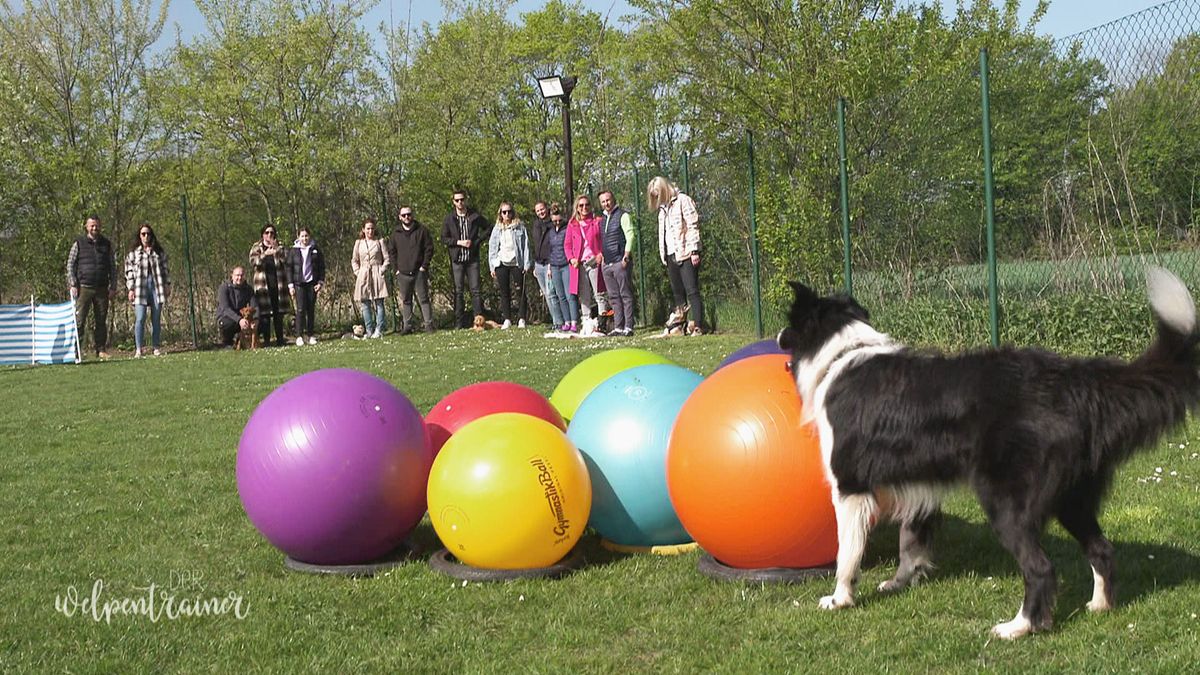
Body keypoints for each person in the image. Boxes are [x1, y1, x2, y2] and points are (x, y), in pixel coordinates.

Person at [648, 176, 705, 335]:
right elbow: (663, 233)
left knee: (692, 289)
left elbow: (693, 225)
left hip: (685, 251)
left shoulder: (682, 200)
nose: (656, 198)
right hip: (670, 253)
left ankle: (699, 325)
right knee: (677, 292)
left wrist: (694, 250)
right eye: (654, 195)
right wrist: (664, 254)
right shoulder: (662, 210)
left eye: (657, 194)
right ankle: (680, 325)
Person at [66, 215, 116, 359]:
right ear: (86, 227)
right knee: (80, 320)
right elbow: (70, 264)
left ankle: (101, 350)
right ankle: (76, 351)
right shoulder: (79, 243)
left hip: (102, 288)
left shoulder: (106, 244)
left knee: (101, 320)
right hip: (84, 287)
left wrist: (113, 286)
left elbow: (112, 266)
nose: (95, 228)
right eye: (92, 225)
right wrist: (73, 283)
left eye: (97, 225)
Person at [440, 189, 489, 328]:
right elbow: (444, 238)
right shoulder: (449, 219)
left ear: (465, 200)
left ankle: (479, 322)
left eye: (462, 200)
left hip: (472, 258)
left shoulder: (474, 216)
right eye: (457, 200)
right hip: (457, 259)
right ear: (453, 202)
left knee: (475, 290)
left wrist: (477, 241)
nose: (460, 203)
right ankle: (459, 323)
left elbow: (488, 228)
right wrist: (458, 242)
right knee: (459, 291)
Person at [124, 223, 171, 357]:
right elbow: (129, 272)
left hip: (156, 287)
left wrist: (167, 284)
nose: (146, 236)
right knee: (140, 318)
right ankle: (139, 348)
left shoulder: (159, 253)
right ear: (139, 236)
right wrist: (131, 288)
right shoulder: (133, 254)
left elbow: (165, 270)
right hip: (140, 287)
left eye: (148, 234)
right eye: (143, 234)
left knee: (156, 318)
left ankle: (156, 346)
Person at [386, 206, 435, 334]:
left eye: (409, 214)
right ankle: (407, 326)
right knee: (406, 300)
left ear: (412, 215)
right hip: (402, 273)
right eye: (404, 215)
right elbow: (391, 252)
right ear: (400, 217)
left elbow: (429, 248)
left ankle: (429, 325)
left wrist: (424, 266)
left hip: (419, 271)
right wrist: (396, 269)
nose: (407, 217)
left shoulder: (422, 230)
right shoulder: (395, 233)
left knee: (424, 299)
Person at [563, 194, 606, 333]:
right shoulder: (572, 224)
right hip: (579, 264)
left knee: (599, 293)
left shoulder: (597, 222)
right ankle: (587, 322)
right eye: (581, 205)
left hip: (594, 262)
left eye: (587, 204)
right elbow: (567, 245)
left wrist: (600, 254)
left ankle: (602, 322)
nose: (584, 207)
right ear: (577, 207)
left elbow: (604, 240)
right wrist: (571, 258)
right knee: (584, 296)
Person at [487, 202, 532, 329]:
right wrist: (492, 266)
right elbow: (492, 248)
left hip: (517, 263)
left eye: (509, 212)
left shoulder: (519, 227)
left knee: (520, 291)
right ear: (500, 214)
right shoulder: (497, 229)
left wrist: (527, 264)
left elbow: (526, 246)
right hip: (501, 263)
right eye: (504, 212)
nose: (507, 214)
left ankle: (522, 318)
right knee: (504, 291)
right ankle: (507, 319)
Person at [598, 190, 637, 336]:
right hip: (607, 263)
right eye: (603, 201)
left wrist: (626, 256)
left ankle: (628, 326)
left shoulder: (623, 215)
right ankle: (618, 326)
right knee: (613, 297)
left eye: (608, 200)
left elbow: (630, 235)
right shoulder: (602, 220)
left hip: (620, 261)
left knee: (625, 294)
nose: (606, 203)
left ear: (613, 199)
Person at [248, 224, 292, 346]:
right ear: (262, 235)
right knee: (265, 315)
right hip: (263, 286)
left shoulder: (279, 246)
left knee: (279, 315)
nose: (269, 235)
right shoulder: (257, 247)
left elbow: (287, 261)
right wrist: (265, 254)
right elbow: (253, 261)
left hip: (278, 286)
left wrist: (277, 250)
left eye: (272, 233)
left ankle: (280, 340)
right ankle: (267, 341)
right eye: (267, 233)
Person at [352, 218, 391, 339]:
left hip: (376, 273)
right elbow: (354, 260)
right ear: (363, 229)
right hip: (363, 274)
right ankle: (369, 330)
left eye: (372, 228)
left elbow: (387, 259)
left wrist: (381, 270)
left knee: (379, 302)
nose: (370, 231)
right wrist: (358, 272)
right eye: (368, 228)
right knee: (365, 303)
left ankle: (379, 329)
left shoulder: (380, 242)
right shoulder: (358, 243)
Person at [287, 227, 325, 346]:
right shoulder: (293, 251)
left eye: (306, 236)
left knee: (310, 310)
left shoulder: (315, 249)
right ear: (298, 237)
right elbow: (289, 268)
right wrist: (290, 285)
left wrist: (320, 282)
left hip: (312, 284)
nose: (304, 238)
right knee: (300, 309)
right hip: (299, 284)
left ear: (310, 236)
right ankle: (299, 335)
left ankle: (310, 335)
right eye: (302, 236)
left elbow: (321, 267)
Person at [529, 201, 564, 329]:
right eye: (538, 211)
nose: (540, 212)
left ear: (547, 209)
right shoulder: (536, 225)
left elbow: (553, 246)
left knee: (552, 293)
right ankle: (556, 321)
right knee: (546, 294)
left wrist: (550, 264)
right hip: (538, 264)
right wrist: (534, 264)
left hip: (550, 264)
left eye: (542, 209)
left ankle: (560, 322)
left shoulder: (553, 224)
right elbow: (536, 245)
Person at [545, 204, 574, 332]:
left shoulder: (567, 228)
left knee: (570, 295)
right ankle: (566, 321)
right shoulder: (550, 231)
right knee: (560, 295)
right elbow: (550, 250)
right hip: (555, 265)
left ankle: (574, 321)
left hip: (566, 264)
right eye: (554, 220)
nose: (557, 223)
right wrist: (550, 267)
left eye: (559, 220)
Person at [216, 266, 258, 347]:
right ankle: (227, 342)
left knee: (263, 321)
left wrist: (256, 319)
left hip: (241, 316)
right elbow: (225, 309)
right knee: (228, 324)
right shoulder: (224, 288)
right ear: (232, 276)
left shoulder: (248, 289)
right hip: (226, 317)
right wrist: (239, 320)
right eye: (237, 275)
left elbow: (255, 306)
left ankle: (249, 342)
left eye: (242, 275)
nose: (239, 277)